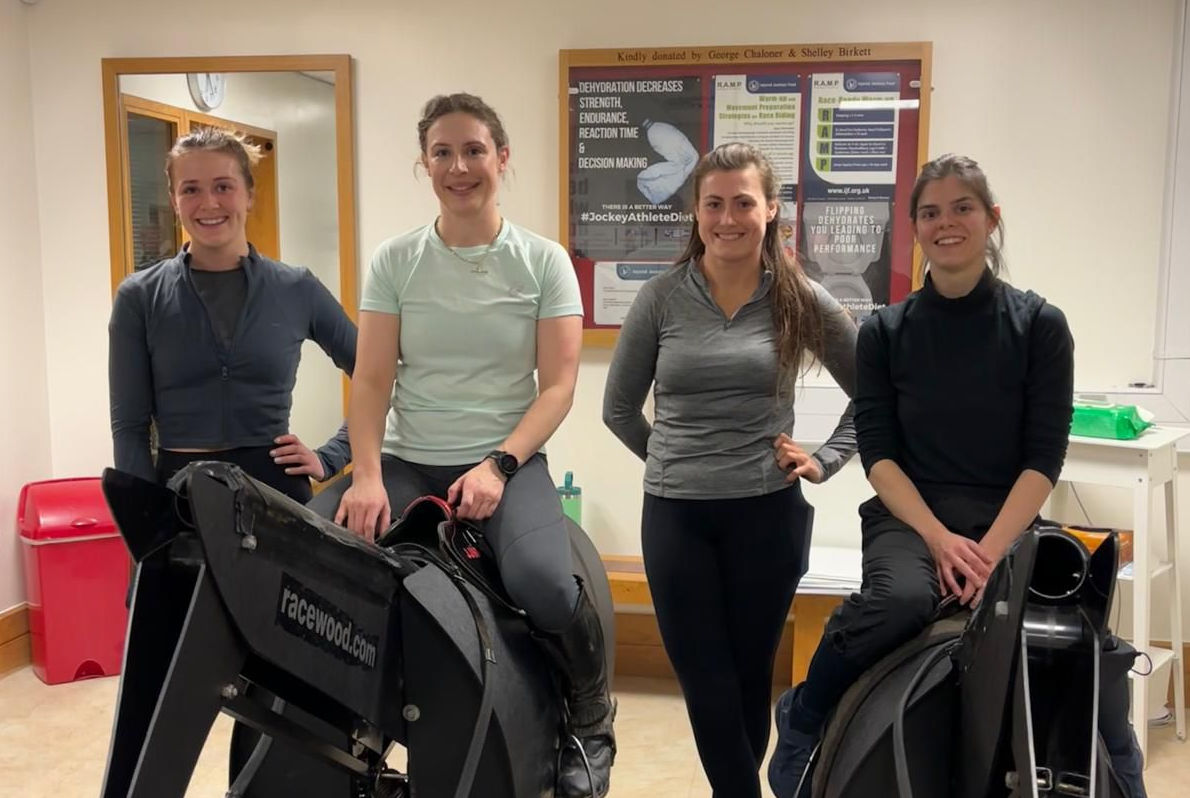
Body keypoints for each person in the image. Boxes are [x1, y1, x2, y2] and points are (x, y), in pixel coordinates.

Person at [767, 153, 1147, 798]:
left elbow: (1043, 459)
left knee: (1081, 634)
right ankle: (804, 714)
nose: (947, 223)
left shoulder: (1040, 327)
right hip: (911, 518)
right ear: (916, 227)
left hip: (1010, 520)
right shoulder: (884, 332)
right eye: (931, 213)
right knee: (899, 602)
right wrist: (940, 541)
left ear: (991, 218)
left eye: (962, 208)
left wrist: (991, 552)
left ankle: (1125, 771)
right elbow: (880, 456)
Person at [307, 93, 613, 797]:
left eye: (473, 150)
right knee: (310, 550)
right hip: (407, 460)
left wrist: (499, 465)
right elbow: (372, 379)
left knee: (543, 584)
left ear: (501, 158)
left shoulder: (543, 262)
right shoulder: (396, 260)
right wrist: (365, 475)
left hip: (507, 460)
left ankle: (591, 719)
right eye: (441, 153)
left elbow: (558, 387)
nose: (458, 167)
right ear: (425, 165)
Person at [602, 142, 859, 798]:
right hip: (676, 518)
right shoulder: (661, 298)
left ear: (770, 209)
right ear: (695, 211)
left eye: (743, 203)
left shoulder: (799, 299)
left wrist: (825, 459)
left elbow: (876, 396)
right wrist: (673, 462)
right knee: (707, 679)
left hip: (767, 514)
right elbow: (618, 410)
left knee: (748, 677)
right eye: (713, 204)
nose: (727, 218)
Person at [108, 126, 356, 501]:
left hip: (277, 496)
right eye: (191, 189)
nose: (209, 203)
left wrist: (332, 457)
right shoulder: (140, 296)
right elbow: (129, 427)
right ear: (174, 201)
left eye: (223, 186)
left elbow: (376, 376)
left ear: (249, 194)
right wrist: (144, 516)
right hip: (179, 499)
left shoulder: (296, 288)